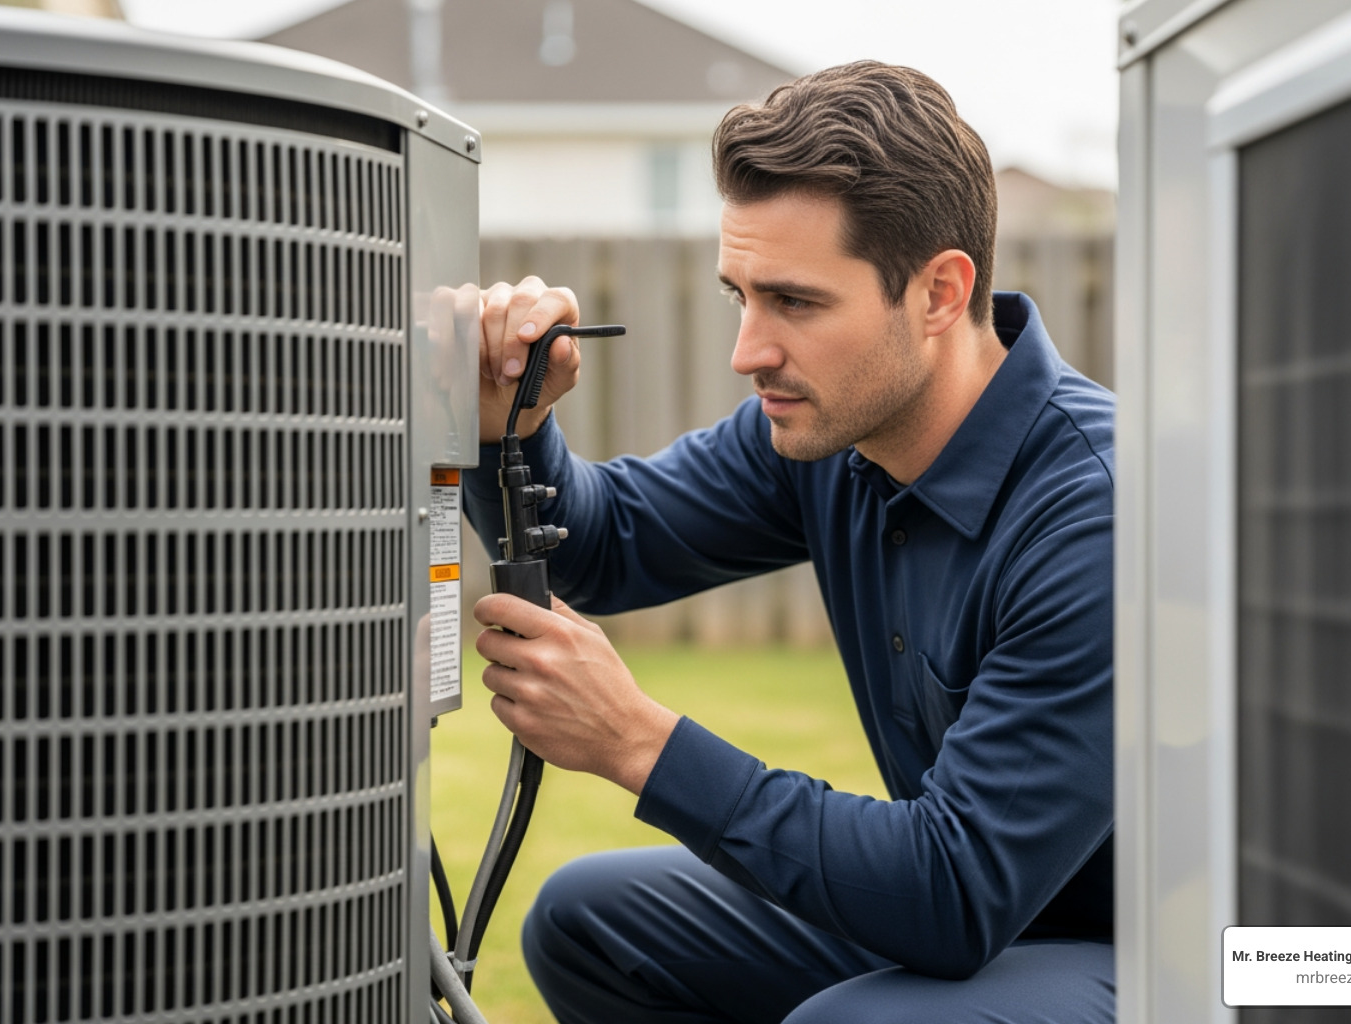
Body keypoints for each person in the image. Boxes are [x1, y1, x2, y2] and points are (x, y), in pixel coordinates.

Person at [463, 61, 1114, 1024]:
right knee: (589, 922)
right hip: (1008, 914)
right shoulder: (832, 439)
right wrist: (505, 425)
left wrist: (641, 742)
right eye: (741, 297)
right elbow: (608, 543)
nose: (749, 350)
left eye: (796, 303)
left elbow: (952, 889)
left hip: (1247, 949)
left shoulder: (1092, 518)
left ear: (939, 292)